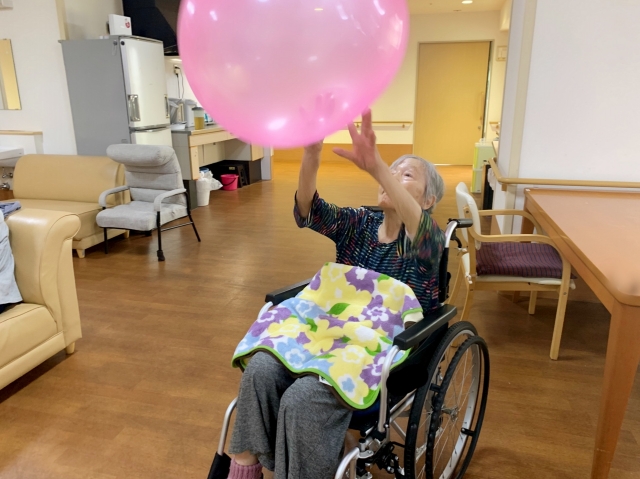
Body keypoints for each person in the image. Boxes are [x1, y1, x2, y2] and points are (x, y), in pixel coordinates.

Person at [226, 111, 445, 479]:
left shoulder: (424, 246)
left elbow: (424, 233)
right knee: (260, 370)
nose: (392, 178)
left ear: (428, 200)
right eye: (391, 172)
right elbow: (308, 211)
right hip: (326, 335)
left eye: (406, 175)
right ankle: (247, 468)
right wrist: (312, 153)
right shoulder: (359, 223)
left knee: (301, 400)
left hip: (377, 350)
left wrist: (377, 166)